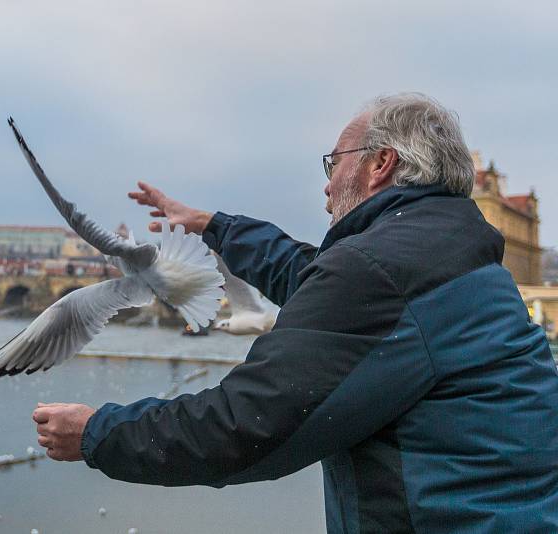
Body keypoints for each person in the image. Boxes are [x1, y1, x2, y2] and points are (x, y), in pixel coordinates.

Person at [32, 93, 558, 532]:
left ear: (380, 165)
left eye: (335, 163)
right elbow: (315, 279)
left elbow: (246, 425)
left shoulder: (382, 268)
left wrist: (99, 433)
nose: (327, 186)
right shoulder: (448, 252)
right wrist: (214, 226)